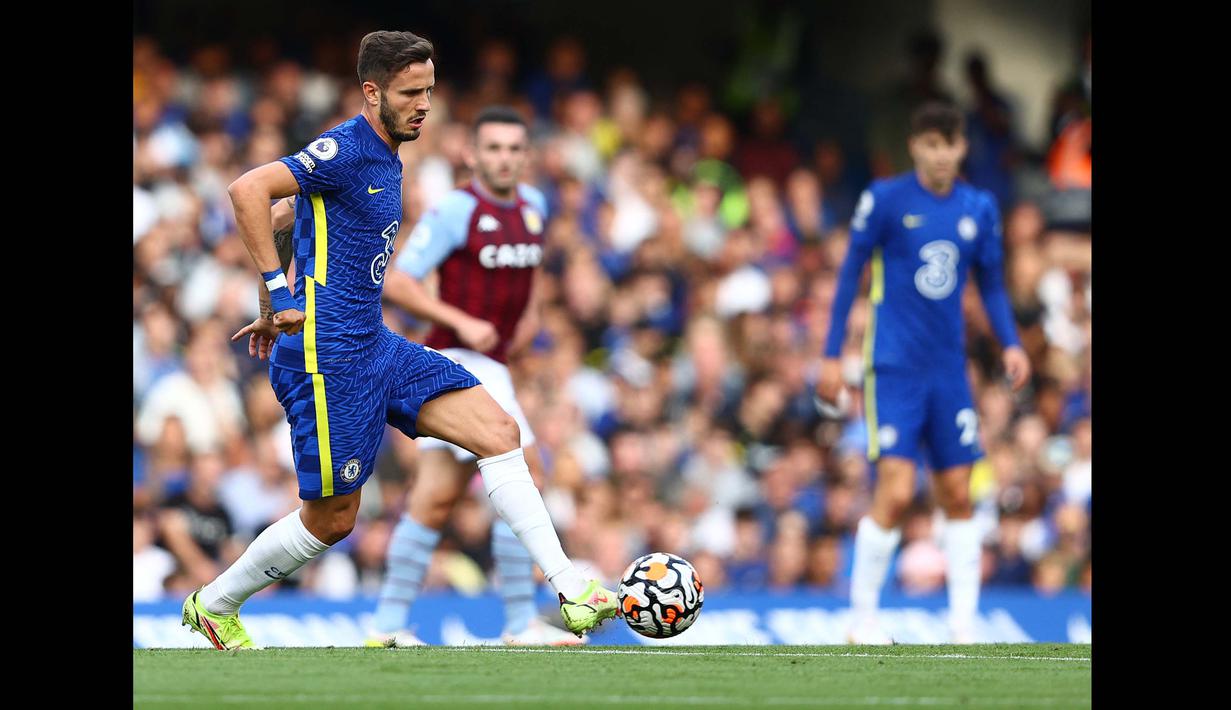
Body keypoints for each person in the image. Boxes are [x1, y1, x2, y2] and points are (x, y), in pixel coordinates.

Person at [179, 31, 617, 651]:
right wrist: (278, 297)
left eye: (430, 92)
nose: (424, 105)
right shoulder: (346, 149)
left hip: (375, 344)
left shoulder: (389, 154)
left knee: (498, 432)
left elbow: (284, 219)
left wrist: (268, 297)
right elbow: (250, 191)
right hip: (327, 356)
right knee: (333, 521)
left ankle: (572, 590)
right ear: (371, 91)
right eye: (411, 93)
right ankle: (216, 603)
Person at [361, 105, 578, 647]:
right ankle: (519, 621)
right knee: (525, 473)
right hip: (457, 358)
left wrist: (527, 321)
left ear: (526, 156)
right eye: (494, 148)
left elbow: (529, 279)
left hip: (495, 363)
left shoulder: (534, 207)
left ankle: (386, 626)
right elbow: (399, 282)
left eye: (513, 149)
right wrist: (464, 321)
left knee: (434, 497)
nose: (504, 159)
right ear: (471, 154)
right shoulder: (456, 210)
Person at [816, 101, 1030, 644]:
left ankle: (963, 623)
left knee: (958, 490)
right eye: (930, 144)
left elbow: (994, 284)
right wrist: (830, 352)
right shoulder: (886, 199)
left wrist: (1010, 342)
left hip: (948, 369)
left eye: (949, 144)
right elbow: (849, 276)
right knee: (894, 486)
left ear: (962, 148)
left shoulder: (978, 208)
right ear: (915, 147)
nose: (940, 154)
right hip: (892, 366)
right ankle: (862, 617)